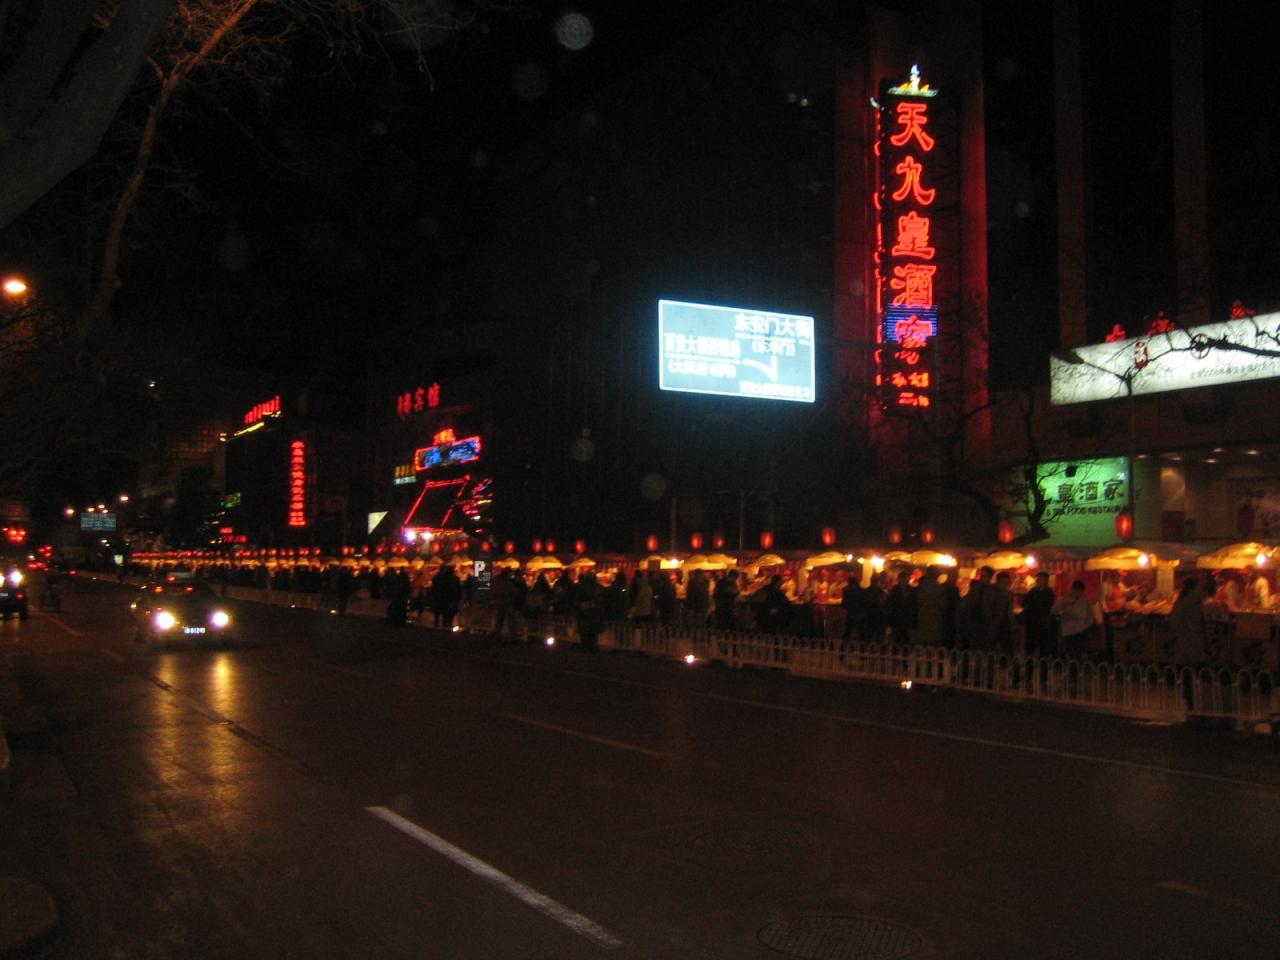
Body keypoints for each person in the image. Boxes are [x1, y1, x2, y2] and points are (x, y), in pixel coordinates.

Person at [1052, 580, 1094, 661]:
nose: (1078, 593)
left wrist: (1085, 626)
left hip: (1081, 631)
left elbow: (1090, 615)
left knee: (1079, 653)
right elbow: (1054, 610)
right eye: (1076, 591)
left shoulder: (1085, 600)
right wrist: (1064, 605)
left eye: (1080, 592)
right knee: (1071, 653)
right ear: (1073, 589)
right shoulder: (1065, 599)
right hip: (1069, 631)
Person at [1169, 577, 1207, 666]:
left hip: (1187, 641)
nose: (1202, 591)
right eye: (1199, 588)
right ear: (1192, 589)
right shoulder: (1189, 603)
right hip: (1189, 640)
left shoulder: (1186, 602)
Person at [1020, 571, 1057, 658]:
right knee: (1030, 642)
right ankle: (1029, 659)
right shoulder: (1033, 590)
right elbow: (1024, 602)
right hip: (1032, 620)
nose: (1039, 580)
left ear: (1046, 580)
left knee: (1043, 642)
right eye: (1038, 579)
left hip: (1043, 620)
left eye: (1041, 579)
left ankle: (1042, 660)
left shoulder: (1049, 592)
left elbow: (1049, 605)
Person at [958, 566, 994, 649]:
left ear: (989, 577)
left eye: (983, 576)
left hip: (985, 624)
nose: (981, 578)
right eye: (981, 575)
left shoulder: (992, 591)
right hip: (974, 623)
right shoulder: (976, 590)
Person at [913, 566, 947, 647]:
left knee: (924, 641)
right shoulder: (936, 586)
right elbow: (942, 603)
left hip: (922, 616)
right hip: (934, 617)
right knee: (933, 641)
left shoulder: (921, 585)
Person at [573, 571, 605, 651]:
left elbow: (577, 600)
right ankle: (591, 646)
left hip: (584, 614)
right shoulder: (598, 588)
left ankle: (586, 646)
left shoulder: (581, 587)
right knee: (592, 633)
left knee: (585, 632)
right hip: (593, 614)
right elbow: (602, 599)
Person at [885, 569, 917, 645]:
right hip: (898, 618)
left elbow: (913, 604)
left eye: (906, 578)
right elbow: (891, 605)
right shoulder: (895, 590)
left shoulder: (911, 590)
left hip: (907, 619)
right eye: (903, 578)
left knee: (906, 639)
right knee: (898, 639)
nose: (905, 580)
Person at [430, 563, 462, 630]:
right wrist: (458, 598)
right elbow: (458, 589)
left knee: (441, 613)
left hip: (442, 598)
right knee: (449, 613)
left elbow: (435, 588)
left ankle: (440, 625)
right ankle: (447, 624)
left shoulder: (440, 577)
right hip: (450, 598)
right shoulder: (455, 578)